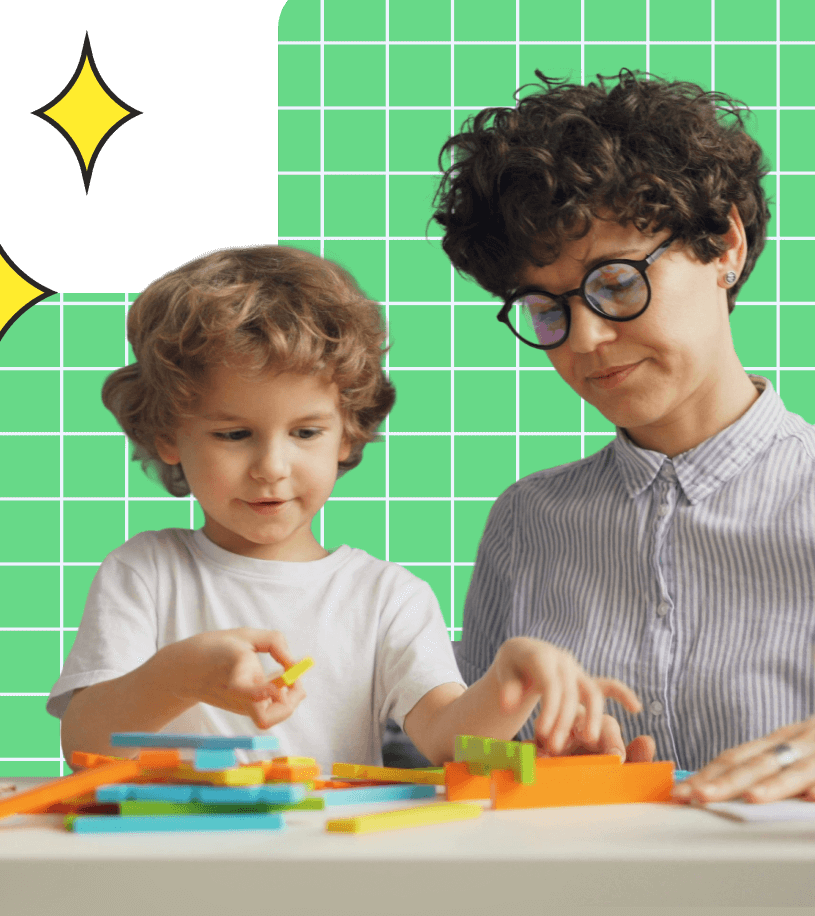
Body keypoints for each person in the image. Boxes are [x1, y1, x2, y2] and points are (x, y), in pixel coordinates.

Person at [47, 245, 644, 773]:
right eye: (234, 435)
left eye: (305, 433)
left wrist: (508, 680)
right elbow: (84, 744)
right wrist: (178, 676)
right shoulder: (145, 572)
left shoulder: (387, 598)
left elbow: (445, 739)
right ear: (169, 436)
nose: (272, 467)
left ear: (349, 435)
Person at [431, 69, 815, 803]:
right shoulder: (527, 522)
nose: (588, 339)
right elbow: (452, 755)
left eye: (615, 284)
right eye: (548, 309)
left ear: (724, 244)